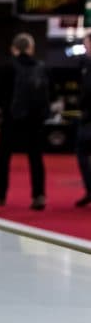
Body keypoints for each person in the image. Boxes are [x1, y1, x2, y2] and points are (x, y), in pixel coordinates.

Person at [0, 33, 50, 210]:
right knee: (36, 158)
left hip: (12, 119)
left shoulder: (8, 67)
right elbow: (46, 96)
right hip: (35, 121)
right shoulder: (40, 67)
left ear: (14, 48)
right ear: (31, 48)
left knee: (3, 158)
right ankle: (39, 195)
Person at [75, 31, 91, 207]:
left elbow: (87, 91)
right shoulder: (85, 64)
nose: (85, 47)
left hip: (88, 118)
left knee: (82, 153)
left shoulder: (88, 65)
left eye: (86, 43)